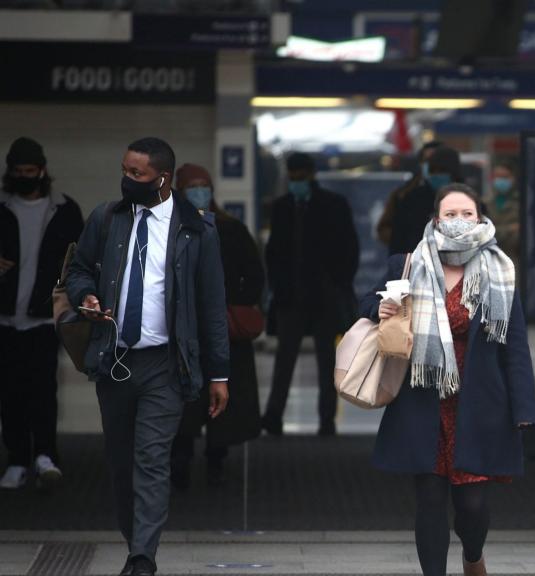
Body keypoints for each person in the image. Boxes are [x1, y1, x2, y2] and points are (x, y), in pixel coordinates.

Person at [363, 183, 535, 576]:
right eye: (449, 213)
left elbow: (515, 344)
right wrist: (381, 306)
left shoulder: (501, 269)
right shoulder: (410, 262)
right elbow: (366, 300)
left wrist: (524, 409)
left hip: (480, 405)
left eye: (466, 212)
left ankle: (474, 556)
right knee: (429, 500)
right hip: (423, 400)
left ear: (480, 219)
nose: (458, 220)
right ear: (436, 219)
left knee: (473, 505)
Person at [66, 137, 229, 576]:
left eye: (136, 175)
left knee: (151, 460)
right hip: (114, 360)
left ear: (163, 179)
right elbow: (78, 270)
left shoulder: (196, 230)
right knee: (121, 464)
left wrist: (219, 374)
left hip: (165, 364)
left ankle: (143, 560)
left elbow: (212, 307)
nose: (127, 181)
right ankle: (132, 547)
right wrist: (86, 297)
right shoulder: (107, 217)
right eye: (125, 171)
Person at [170, 164, 264, 488]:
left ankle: (215, 460)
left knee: (221, 400)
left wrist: (223, 303)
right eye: (193, 187)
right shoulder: (170, 230)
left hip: (223, 334)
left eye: (204, 186)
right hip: (184, 334)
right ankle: (180, 460)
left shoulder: (231, 230)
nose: (200, 193)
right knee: (185, 401)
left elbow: (254, 279)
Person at [0, 137, 83, 491]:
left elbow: (79, 259)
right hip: (4, 317)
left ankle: (45, 454)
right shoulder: (2, 208)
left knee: (43, 390)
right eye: (18, 172)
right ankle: (17, 458)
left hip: (43, 317)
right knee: (10, 392)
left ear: (42, 171)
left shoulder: (64, 210)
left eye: (29, 172)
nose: (24, 177)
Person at [262, 152, 359, 437]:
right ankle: (273, 416)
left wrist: (338, 283)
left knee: (326, 360)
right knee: (285, 360)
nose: (296, 183)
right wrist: (278, 287)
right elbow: (274, 253)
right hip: (291, 296)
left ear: (311, 175)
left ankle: (326, 419)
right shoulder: (282, 208)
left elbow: (348, 249)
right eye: (292, 178)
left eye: (300, 178)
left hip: (324, 297)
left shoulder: (333, 205)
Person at [386, 145, 462, 255]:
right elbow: (398, 239)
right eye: (433, 171)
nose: (437, 175)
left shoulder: (469, 201)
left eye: (442, 171)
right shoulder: (411, 198)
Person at [376, 141, 441, 247]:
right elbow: (383, 229)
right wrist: (405, 239)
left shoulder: (462, 195)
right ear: (421, 164)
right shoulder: (403, 194)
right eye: (427, 161)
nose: (433, 165)